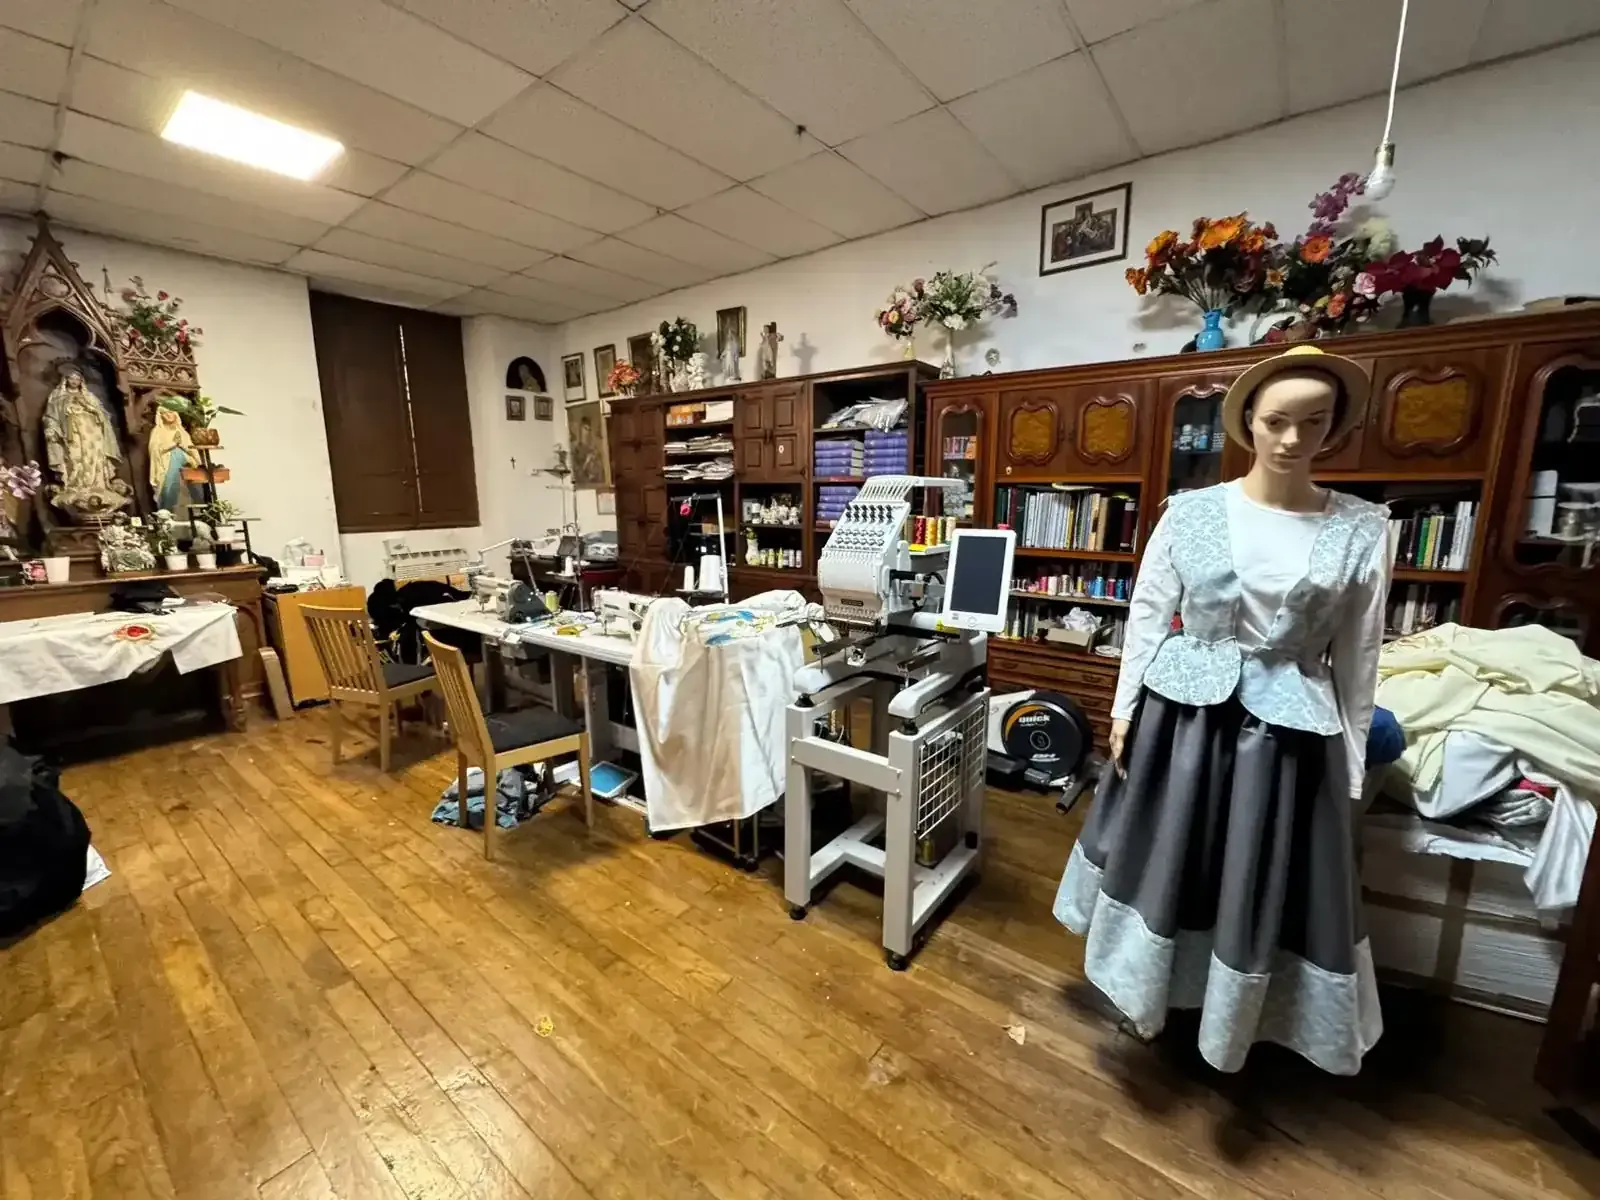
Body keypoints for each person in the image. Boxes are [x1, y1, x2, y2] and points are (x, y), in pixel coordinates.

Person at [1052, 345, 1391, 1076]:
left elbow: (1360, 658)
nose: (1294, 438)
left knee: (1255, 879)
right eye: (1277, 420)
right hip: (1184, 726)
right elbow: (1148, 616)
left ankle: (1235, 1024)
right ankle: (1148, 1000)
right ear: (1248, 423)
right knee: (1173, 864)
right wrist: (1123, 711)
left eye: (1313, 422)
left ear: (1333, 427)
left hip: (1288, 741)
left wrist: (1354, 764)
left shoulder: (1363, 529)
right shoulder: (1192, 513)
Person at [148, 405, 198, 512]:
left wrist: (197, 460)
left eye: (171, 412)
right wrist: (173, 445)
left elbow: (191, 449)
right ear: (161, 416)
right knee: (167, 490)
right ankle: (168, 513)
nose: (169, 415)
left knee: (187, 491)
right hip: (166, 465)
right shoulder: (158, 431)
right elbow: (154, 450)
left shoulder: (182, 432)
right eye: (165, 413)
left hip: (185, 464)